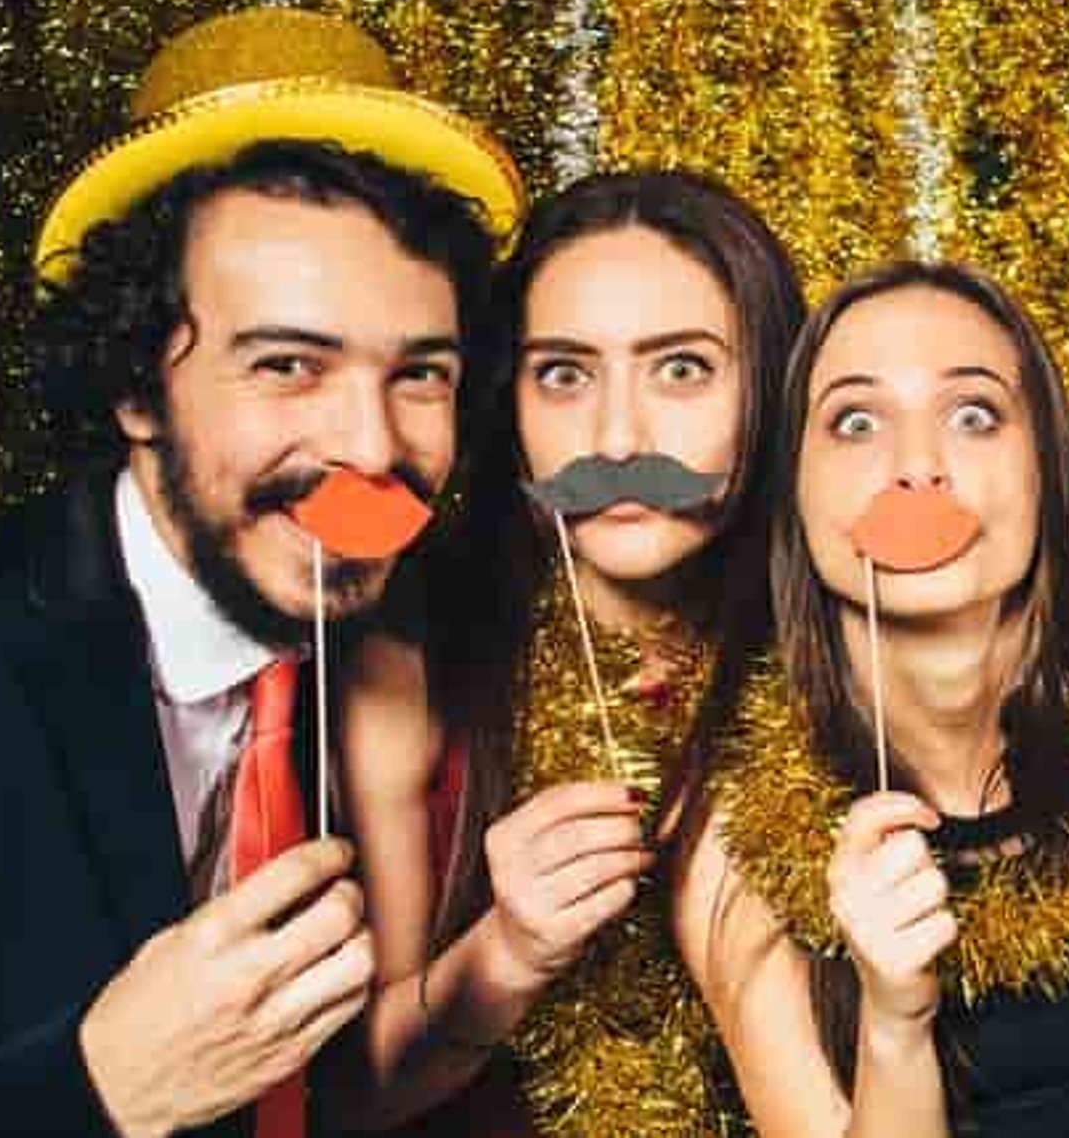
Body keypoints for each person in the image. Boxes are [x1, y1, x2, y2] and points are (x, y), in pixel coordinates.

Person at [0, 8, 518, 1136]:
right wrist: (97, 1089)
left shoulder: (424, 651)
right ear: (135, 386)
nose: (374, 447)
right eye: (289, 364)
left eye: (420, 374)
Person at [672, 260, 1069, 1136]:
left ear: (1049, 467)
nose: (917, 468)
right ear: (794, 492)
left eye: (973, 415)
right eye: (857, 422)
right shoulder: (737, 844)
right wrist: (894, 1025)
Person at [328, 170, 805, 1133]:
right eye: (564, 374)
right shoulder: (411, 662)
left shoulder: (842, 649)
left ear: (774, 386)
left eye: (682, 369)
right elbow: (338, 1102)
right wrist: (507, 953)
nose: (617, 438)